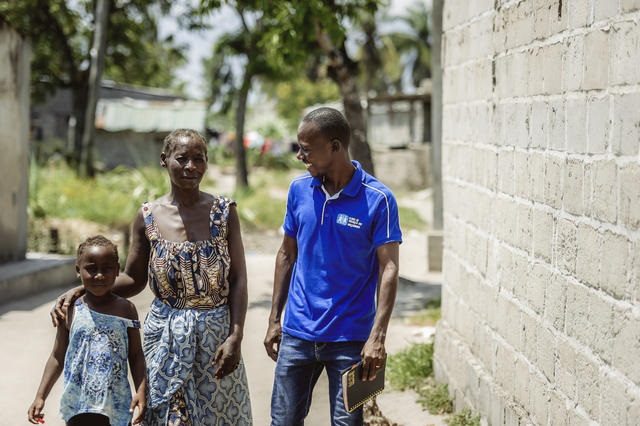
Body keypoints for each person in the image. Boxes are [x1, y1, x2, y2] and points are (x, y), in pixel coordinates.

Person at [51, 129, 252, 425]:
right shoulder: (148, 216)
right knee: (167, 417)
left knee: (220, 417)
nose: (190, 166)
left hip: (216, 341)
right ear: (164, 160)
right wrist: (82, 290)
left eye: (199, 159)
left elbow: (238, 279)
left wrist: (235, 336)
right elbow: (133, 279)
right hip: (165, 341)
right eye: (181, 158)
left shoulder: (224, 212)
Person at [263, 107, 402, 425]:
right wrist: (274, 319)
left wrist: (377, 337)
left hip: (351, 341)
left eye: (307, 149)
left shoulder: (378, 199)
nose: (300, 155)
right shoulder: (299, 190)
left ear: (335, 146)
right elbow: (286, 254)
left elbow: (389, 268)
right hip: (297, 334)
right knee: (282, 421)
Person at [29, 235, 146, 426]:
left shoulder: (126, 309)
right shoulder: (70, 309)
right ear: (78, 270)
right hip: (78, 403)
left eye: (106, 268)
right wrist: (40, 396)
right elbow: (57, 357)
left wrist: (141, 391)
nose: (99, 275)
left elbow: (135, 355)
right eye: (91, 269)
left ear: (117, 270)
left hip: (115, 405)